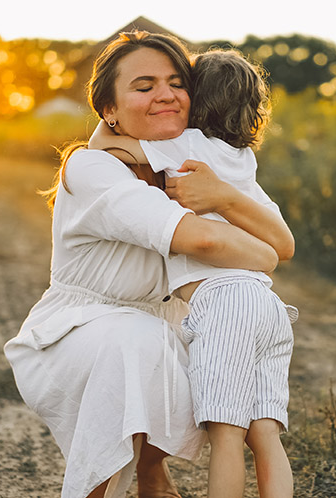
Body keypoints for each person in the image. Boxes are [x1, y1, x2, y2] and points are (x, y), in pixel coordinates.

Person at [3, 32, 293, 498]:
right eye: (143, 86)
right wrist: (259, 255)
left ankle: (151, 473)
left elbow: (283, 241)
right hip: (81, 328)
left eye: (176, 82)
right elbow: (214, 240)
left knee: (191, 351)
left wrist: (225, 198)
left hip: (162, 324)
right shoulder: (93, 168)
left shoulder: (191, 168)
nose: (165, 94)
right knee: (138, 342)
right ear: (110, 110)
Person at [89, 49, 296, 498]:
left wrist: (112, 111)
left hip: (224, 303)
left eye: (179, 85)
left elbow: (101, 147)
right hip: (269, 305)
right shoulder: (243, 160)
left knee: (226, 435)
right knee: (265, 434)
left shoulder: (187, 146)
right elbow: (282, 241)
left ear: (196, 100)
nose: (169, 96)